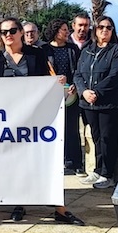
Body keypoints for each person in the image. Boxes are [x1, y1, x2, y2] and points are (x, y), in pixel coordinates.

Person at [0, 18, 85, 225]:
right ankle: (19, 204)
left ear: (21, 32)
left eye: (12, 30)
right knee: (15, 163)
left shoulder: (37, 55)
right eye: (4, 32)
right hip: (8, 122)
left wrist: (57, 83)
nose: (8, 35)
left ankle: (59, 207)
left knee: (46, 160)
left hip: (36, 119)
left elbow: (47, 81)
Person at [75, 16, 118, 190]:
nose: (104, 30)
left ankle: (108, 174)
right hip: (89, 103)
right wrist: (84, 91)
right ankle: (98, 170)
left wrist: (97, 92)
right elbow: (78, 73)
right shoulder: (87, 50)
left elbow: (115, 76)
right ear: (95, 30)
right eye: (101, 27)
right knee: (96, 137)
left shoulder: (117, 50)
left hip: (110, 103)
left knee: (108, 138)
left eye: (108, 27)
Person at [41, 19, 83, 176]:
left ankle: (75, 162)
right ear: (55, 31)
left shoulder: (73, 49)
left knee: (72, 129)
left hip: (70, 95)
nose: (67, 32)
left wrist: (75, 86)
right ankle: (57, 161)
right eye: (64, 29)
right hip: (51, 97)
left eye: (67, 29)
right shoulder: (44, 50)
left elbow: (78, 71)